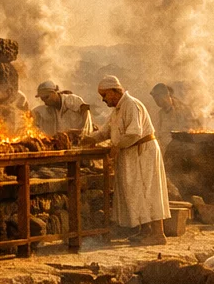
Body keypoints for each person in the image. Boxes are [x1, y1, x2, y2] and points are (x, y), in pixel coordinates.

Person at [83, 75, 169, 246]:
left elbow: (134, 132)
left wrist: (117, 146)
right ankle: (145, 232)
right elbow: (106, 132)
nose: (103, 100)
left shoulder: (131, 104)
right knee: (137, 192)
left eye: (105, 95)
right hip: (131, 154)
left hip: (143, 152)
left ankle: (158, 234)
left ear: (115, 91)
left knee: (148, 191)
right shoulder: (117, 110)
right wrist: (89, 139)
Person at [148, 82, 197, 149]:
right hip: (166, 151)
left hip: (182, 150)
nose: (156, 100)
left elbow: (190, 131)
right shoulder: (160, 114)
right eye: (154, 98)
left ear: (165, 95)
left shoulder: (183, 110)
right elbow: (159, 135)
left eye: (157, 97)